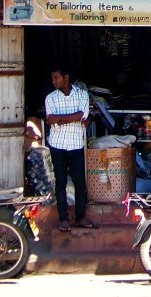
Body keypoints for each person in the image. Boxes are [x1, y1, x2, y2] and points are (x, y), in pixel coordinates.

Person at [45, 65, 96, 231]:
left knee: (80, 182)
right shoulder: (50, 98)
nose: (53, 81)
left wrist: (60, 118)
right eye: (52, 78)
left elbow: (82, 116)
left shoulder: (82, 94)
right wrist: (73, 118)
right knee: (60, 182)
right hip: (57, 144)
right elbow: (51, 120)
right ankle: (63, 219)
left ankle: (80, 217)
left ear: (66, 77)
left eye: (56, 78)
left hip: (75, 144)